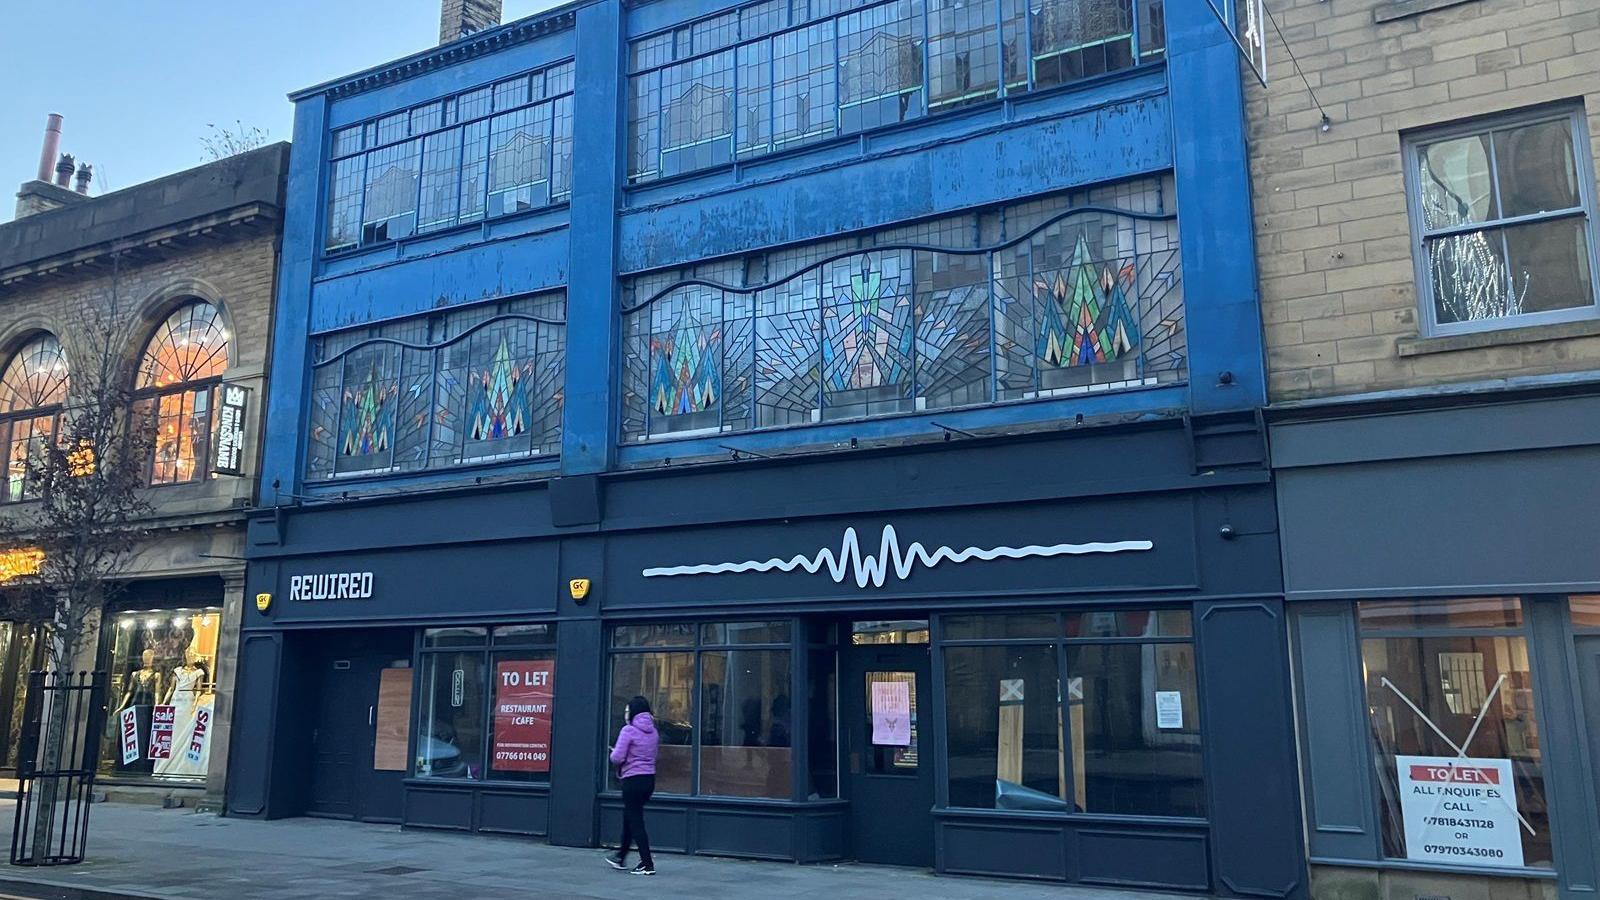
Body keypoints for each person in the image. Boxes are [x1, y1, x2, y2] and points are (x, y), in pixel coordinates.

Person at [606, 695, 659, 876]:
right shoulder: (654, 732)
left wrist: (613, 753)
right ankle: (620, 857)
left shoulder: (628, 731)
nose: (625, 713)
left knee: (636, 821)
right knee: (630, 816)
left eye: (627, 710)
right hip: (649, 780)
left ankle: (647, 863)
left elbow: (617, 758)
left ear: (633, 712)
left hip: (632, 780)